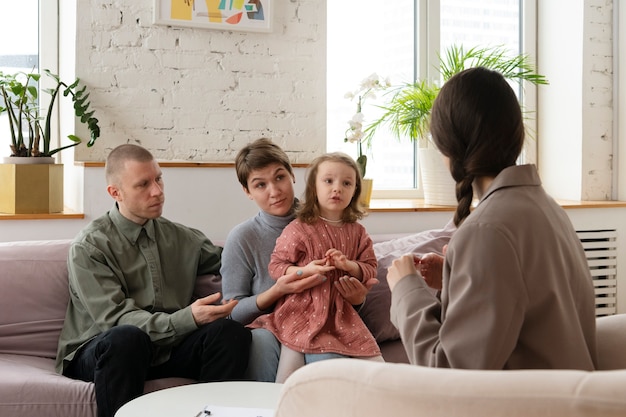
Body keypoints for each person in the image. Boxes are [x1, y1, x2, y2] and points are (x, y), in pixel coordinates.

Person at [386, 67, 598, 370]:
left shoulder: (487, 230)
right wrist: (452, 280)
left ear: (448, 146)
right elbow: (526, 315)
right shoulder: (548, 209)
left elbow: (450, 373)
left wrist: (407, 289)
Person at [55, 144, 252, 417]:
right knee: (127, 339)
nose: (158, 191)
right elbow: (115, 320)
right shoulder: (90, 248)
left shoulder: (183, 238)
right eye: (143, 184)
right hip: (105, 351)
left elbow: (238, 262)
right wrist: (188, 319)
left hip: (166, 350)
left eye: (159, 179)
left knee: (231, 334)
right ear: (115, 192)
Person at [221, 138, 375, 382]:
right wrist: (277, 290)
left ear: (293, 175)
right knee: (260, 341)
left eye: (279, 177)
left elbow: (349, 282)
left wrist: (358, 300)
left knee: (325, 355)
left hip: (323, 321)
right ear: (247, 192)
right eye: (260, 185)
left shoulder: (329, 219)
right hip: (270, 325)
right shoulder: (243, 238)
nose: (274, 191)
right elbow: (231, 313)